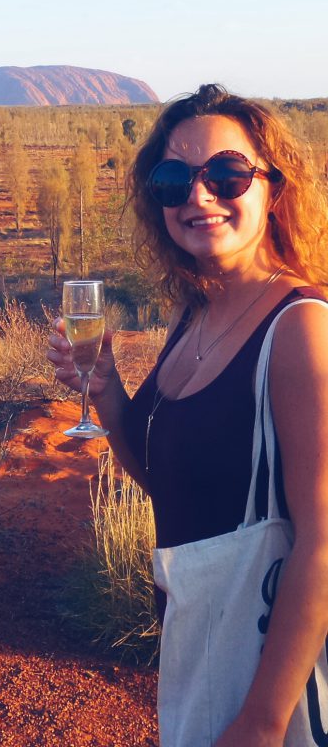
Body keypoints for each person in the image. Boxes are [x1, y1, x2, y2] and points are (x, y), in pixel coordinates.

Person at [47, 83, 328, 746]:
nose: (198, 196)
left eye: (225, 174)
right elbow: (166, 483)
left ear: (271, 188)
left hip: (270, 674)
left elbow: (323, 540)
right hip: (197, 638)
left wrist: (260, 722)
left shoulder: (299, 329)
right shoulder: (193, 313)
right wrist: (107, 389)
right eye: (172, 180)